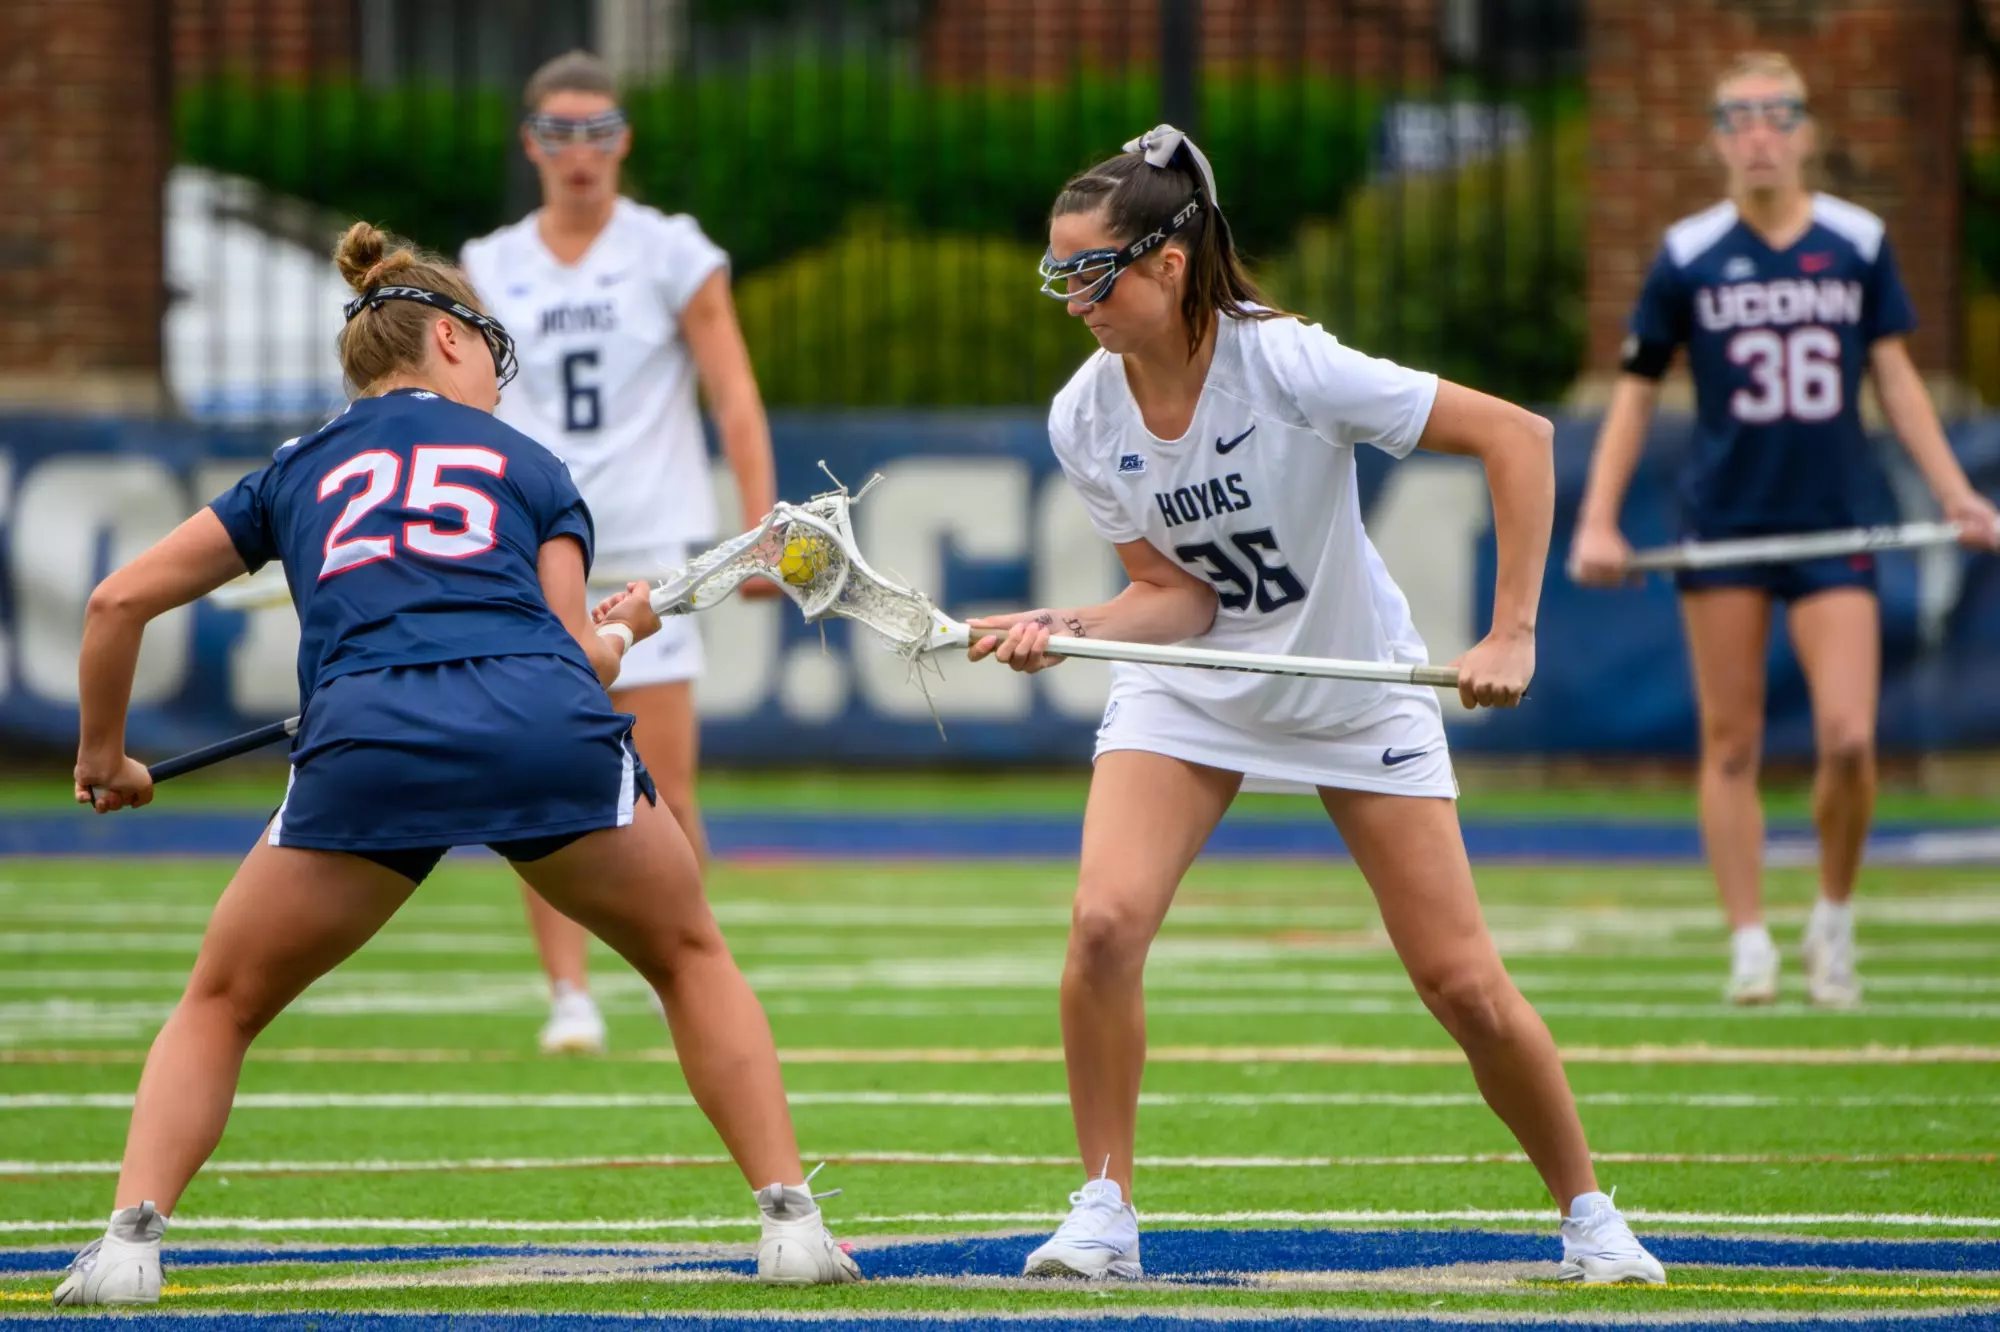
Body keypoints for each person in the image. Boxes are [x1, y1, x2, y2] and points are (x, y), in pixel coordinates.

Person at [53, 224, 856, 1306]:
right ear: (446, 339)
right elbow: (576, 655)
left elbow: (115, 604)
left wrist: (108, 757)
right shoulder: (530, 464)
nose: (497, 379)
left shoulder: (295, 468)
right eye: (489, 352)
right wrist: (624, 633)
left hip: (369, 743)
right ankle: (791, 1224)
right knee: (686, 956)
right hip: (540, 728)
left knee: (223, 1003)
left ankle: (128, 1248)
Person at [967, 125, 1665, 1286]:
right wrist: (1070, 626)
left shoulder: (1285, 365)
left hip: (1351, 693)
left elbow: (1518, 436)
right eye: (1059, 274)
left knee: (1459, 983)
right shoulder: (1081, 415)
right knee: (1102, 925)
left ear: (1167, 264)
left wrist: (1511, 631)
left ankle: (1587, 1213)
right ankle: (1102, 1208)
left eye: (1091, 274)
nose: (1074, 300)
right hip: (1192, 693)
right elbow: (1177, 599)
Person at [1571, 53, 2000, 1008]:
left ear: (1807, 132)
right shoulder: (1688, 253)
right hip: (1728, 526)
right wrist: (1597, 519)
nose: (1759, 135)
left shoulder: (1857, 241)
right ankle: (1749, 941)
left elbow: (1894, 375)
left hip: (1833, 520)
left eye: (1777, 114)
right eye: (1738, 118)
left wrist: (1955, 493)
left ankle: (1833, 921)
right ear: (1715, 140)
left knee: (1848, 737)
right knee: (1731, 742)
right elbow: (1635, 395)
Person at [460, 49, 779, 1055]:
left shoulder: (671, 251)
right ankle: (568, 995)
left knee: (664, 786)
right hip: (533, 554)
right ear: (531, 144)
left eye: (596, 131)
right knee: (536, 780)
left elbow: (733, 390)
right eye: (559, 133)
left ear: (622, 140)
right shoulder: (490, 263)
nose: (579, 153)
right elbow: (463, 411)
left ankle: (675, 965)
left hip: (648, 557)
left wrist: (761, 529)